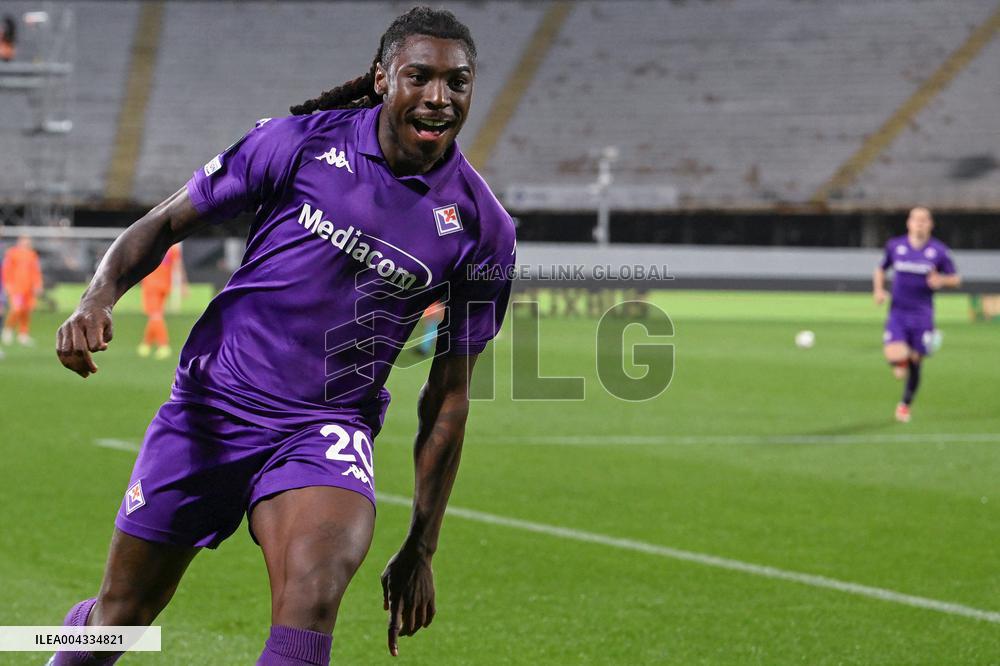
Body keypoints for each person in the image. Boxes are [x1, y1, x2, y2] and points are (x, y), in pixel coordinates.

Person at [52, 7, 515, 665]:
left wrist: (422, 544)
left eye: (458, 83)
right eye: (421, 76)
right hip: (212, 409)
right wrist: (97, 297)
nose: (439, 97)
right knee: (119, 619)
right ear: (384, 79)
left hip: (324, 429)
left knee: (313, 602)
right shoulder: (296, 143)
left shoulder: (482, 228)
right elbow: (161, 224)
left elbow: (449, 396)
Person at [873, 207, 960, 422]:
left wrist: (941, 280)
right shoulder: (896, 246)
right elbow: (880, 269)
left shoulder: (938, 251)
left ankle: (905, 404)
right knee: (894, 356)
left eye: (924, 220)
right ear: (908, 223)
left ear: (930, 224)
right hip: (898, 313)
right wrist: (878, 290)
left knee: (915, 363)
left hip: (923, 314)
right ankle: (901, 361)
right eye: (916, 219)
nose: (920, 223)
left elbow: (955, 278)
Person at [138, 243, 187, 359]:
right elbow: (178, 266)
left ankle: (163, 345)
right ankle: (146, 344)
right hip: (165, 285)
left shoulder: (151, 244)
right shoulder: (174, 248)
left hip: (151, 285)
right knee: (156, 315)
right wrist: (183, 284)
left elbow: (142, 264)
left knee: (155, 316)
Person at [2, 235, 43, 346]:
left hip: (29, 289)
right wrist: (7, 284)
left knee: (26, 311)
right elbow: (6, 269)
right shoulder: (12, 253)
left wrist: (38, 285)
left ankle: (23, 334)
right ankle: (8, 330)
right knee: (16, 309)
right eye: (24, 240)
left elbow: (36, 271)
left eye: (28, 241)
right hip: (16, 288)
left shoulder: (32, 255)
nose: (26, 243)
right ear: (19, 241)